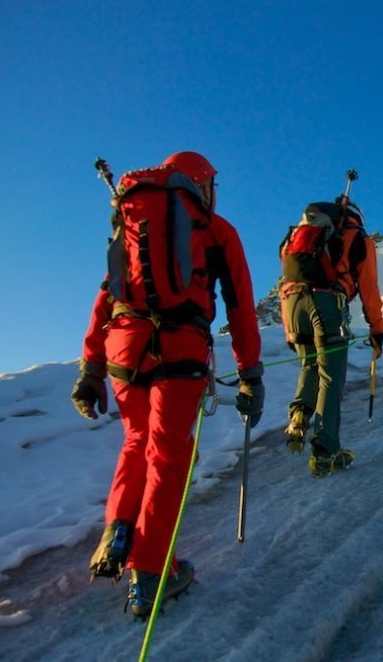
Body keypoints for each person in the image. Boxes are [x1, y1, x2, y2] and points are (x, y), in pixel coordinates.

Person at [70, 151, 264, 617]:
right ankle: (153, 570)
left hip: (123, 347)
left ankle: (119, 529)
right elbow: (239, 304)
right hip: (180, 346)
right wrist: (249, 373)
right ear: (203, 184)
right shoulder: (215, 230)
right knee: (171, 451)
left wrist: (90, 370)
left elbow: (107, 296)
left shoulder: (133, 222)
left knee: (138, 440)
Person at [280, 196, 383, 476]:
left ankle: (299, 415)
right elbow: (370, 289)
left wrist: (289, 329)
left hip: (291, 304)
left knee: (310, 364)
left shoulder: (300, 234)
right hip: (326, 303)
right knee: (331, 377)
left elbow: (287, 275)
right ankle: (326, 451)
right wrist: (377, 330)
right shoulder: (357, 237)